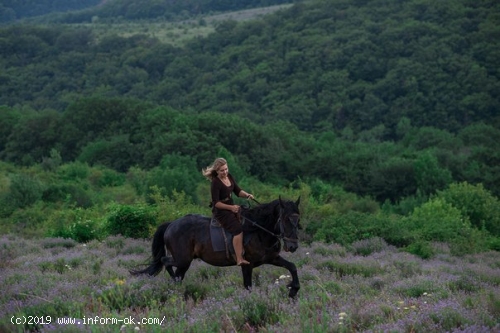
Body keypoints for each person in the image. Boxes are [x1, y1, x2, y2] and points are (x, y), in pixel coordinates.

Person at [202, 158, 254, 265]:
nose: (225, 172)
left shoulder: (229, 176)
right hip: (221, 211)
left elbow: (238, 191)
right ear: (217, 171)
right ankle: (239, 259)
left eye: (226, 169)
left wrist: (247, 195)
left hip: (232, 206)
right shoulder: (215, 183)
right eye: (222, 170)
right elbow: (216, 203)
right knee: (238, 229)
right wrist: (231, 208)